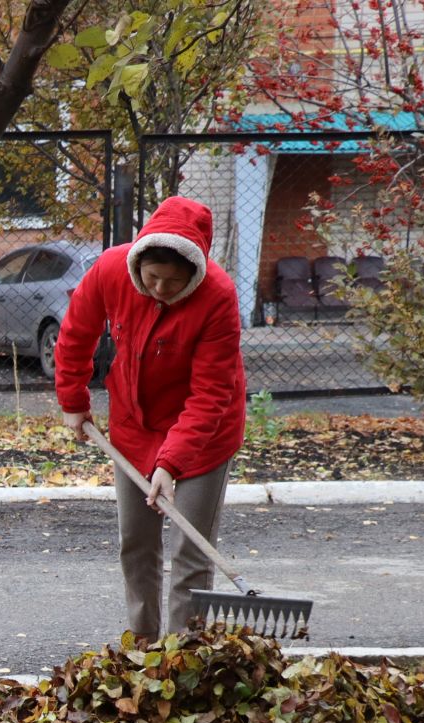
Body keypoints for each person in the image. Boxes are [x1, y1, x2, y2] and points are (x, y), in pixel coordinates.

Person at [54, 195, 247, 639]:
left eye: (173, 282)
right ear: (139, 260)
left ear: (193, 274)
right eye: (153, 277)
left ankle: (182, 660)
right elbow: (76, 334)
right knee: (136, 544)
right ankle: (143, 650)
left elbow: (210, 393)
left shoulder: (217, 296)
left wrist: (170, 463)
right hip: (133, 426)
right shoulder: (110, 269)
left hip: (205, 434)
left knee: (191, 554)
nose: (160, 289)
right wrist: (73, 400)